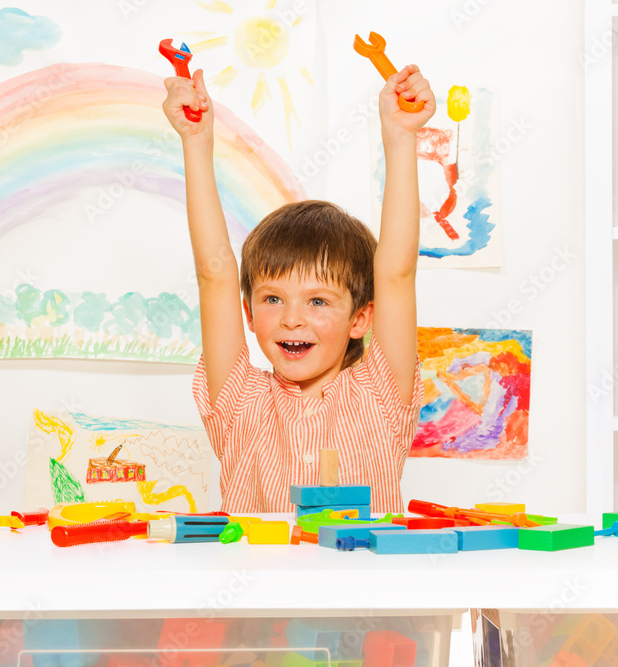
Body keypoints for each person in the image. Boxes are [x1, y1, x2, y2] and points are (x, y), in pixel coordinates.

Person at [162, 63, 436, 513]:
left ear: (360, 319)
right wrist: (196, 141)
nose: (292, 318)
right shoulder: (238, 402)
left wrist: (401, 137)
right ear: (247, 314)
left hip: (363, 583)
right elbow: (215, 275)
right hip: (254, 585)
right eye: (273, 299)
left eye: (318, 301)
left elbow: (396, 273)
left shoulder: (381, 393)